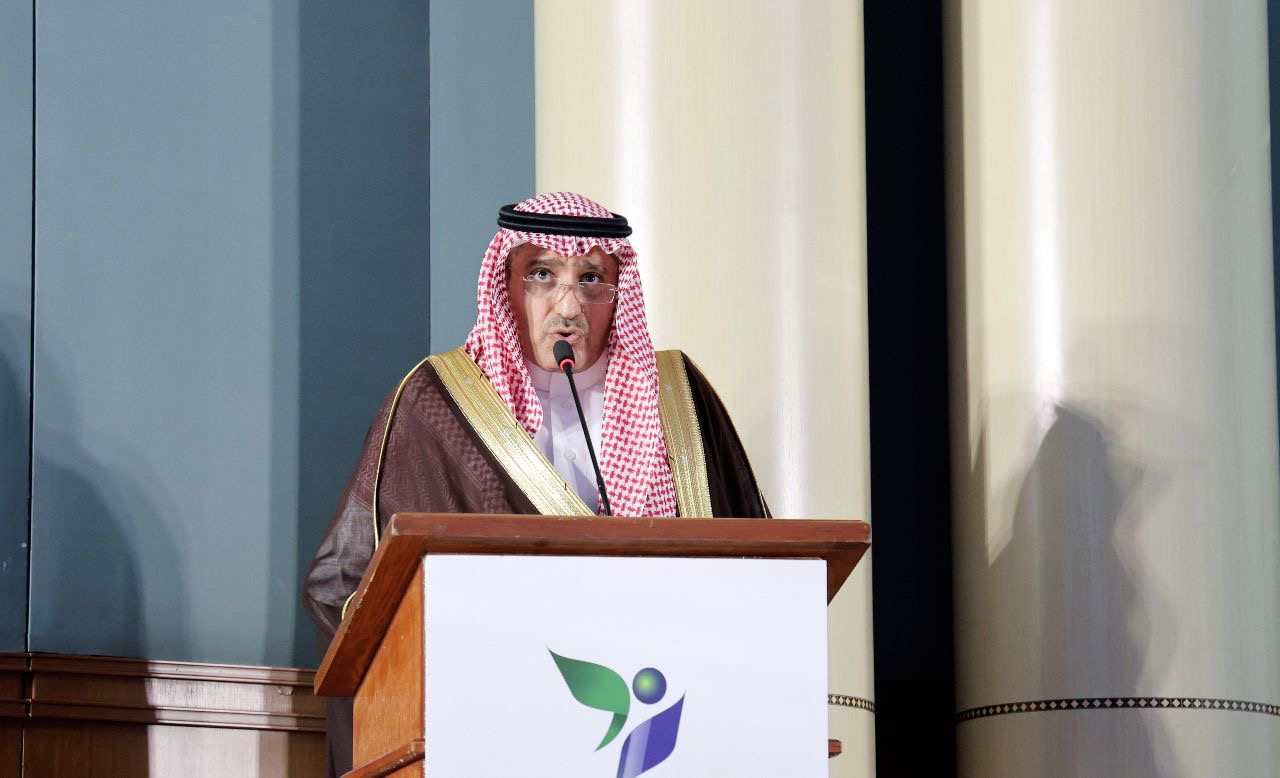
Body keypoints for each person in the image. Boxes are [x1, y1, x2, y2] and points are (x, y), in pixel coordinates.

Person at [302, 191, 769, 776]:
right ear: (506, 285)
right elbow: (342, 585)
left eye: (591, 279)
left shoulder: (679, 397)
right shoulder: (438, 404)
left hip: (673, 722)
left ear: (619, 290)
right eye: (543, 275)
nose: (568, 306)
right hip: (496, 729)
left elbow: (760, 566)